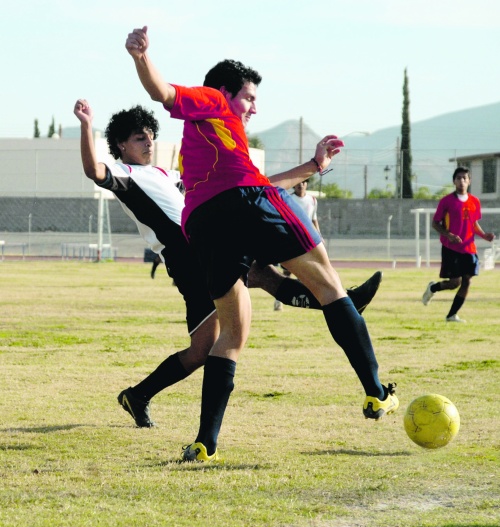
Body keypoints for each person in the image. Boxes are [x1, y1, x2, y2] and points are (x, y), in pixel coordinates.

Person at [126, 26, 398, 463]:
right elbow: (164, 93)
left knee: (232, 334)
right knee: (330, 285)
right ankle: (376, 392)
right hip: (245, 203)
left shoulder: (213, 139)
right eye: (249, 98)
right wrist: (141, 57)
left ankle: (205, 444)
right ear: (225, 92)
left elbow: (256, 181)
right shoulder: (213, 101)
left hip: (205, 225)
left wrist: (314, 165)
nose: (254, 106)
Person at [73, 100, 381, 429]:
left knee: (262, 277)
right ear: (121, 144)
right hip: (187, 260)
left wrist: (313, 166)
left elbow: (255, 186)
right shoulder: (125, 174)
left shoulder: (166, 174)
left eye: (150, 136)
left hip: (208, 244)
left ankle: (343, 303)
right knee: (202, 349)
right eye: (139, 138)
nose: (149, 142)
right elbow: (94, 171)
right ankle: (138, 395)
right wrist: (86, 125)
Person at [422, 167, 494, 322]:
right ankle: (433, 288)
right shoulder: (446, 201)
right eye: (459, 178)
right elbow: (435, 223)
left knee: (467, 281)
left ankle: (451, 315)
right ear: (454, 181)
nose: (462, 181)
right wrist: (449, 235)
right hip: (451, 248)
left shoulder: (475, 201)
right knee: (455, 283)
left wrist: (484, 235)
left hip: (469, 247)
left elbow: (473, 223)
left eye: (464, 178)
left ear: (469, 181)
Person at [274, 178, 320, 311]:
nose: (301, 185)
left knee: (307, 270)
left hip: (308, 240)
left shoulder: (312, 200)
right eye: (298, 183)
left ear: (307, 184)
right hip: (291, 238)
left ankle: (305, 299)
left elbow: (313, 219)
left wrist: (319, 235)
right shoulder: (288, 198)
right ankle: (279, 300)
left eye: (304, 182)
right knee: (287, 271)